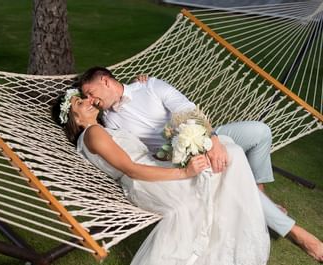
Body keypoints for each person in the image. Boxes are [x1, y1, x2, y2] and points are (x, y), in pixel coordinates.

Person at [77, 66, 323, 262]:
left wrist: (213, 138)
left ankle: (258, 198)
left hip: (198, 133)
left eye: (91, 93)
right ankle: (297, 234)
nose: (90, 100)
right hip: (173, 156)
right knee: (229, 162)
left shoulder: (149, 86)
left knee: (260, 132)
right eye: (85, 98)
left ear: (106, 81)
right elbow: (129, 155)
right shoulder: (106, 121)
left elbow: (184, 108)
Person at [52, 91, 270, 265]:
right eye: (80, 103)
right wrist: (184, 172)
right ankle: (248, 231)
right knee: (229, 155)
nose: (88, 101)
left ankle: (240, 233)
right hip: (146, 182)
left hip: (151, 172)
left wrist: (168, 155)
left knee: (225, 153)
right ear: (75, 118)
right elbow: (131, 168)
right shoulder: (92, 133)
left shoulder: (99, 131)